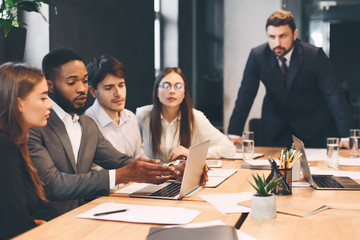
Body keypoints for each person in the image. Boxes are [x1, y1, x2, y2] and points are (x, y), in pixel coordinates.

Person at [27, 49, 176, 217]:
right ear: (50, 86)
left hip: (86, 215)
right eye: (72, 83)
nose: (82, 89)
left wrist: (172, 171)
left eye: (84, 81)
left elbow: (122, 161)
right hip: (50, 223)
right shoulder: (35, 127)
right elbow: (53, 185)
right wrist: (120, 175)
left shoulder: (87, 124)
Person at [228, 10, 351, 149]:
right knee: (277, 169)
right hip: (276, 128)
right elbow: (246, 94)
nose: (277, 43)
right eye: (272, 37)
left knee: (313, 169)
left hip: (311, 127)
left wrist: (346, 135)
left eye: (283, 36)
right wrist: (234, 133)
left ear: (294, 34)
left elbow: (333, 94)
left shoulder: (315, 56)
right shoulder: (258, 56)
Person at [136, 67, 236, 163]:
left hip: (183, 177)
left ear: (184, 93)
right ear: (157, 92)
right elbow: (134, 152)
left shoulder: (196, 117)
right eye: (166, 86)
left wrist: (192, 153)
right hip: (152, 178)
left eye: (178, 87)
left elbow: (228, 147)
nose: (172, 91)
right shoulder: (143, 115)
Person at [0, 63, 53, 238]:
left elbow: (38, 207)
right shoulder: (4, 146)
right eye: (43, 97)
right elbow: (12, 218)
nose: (50, 105)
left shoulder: (16, 141)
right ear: (19, 104)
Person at [85, 55, 145, 159]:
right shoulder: (88, 124)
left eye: (121, 85)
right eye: (108, 88)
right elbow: (96, 172)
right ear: (93, 92)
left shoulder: (131, 117)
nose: (118, 93)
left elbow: (140, 157)